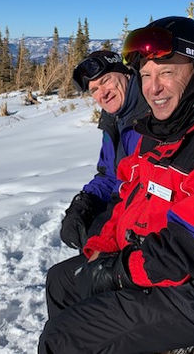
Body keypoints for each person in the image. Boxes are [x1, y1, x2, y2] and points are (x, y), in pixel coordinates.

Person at [39, 16, 194, 354]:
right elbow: (129, 200)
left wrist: (119, 272)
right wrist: (102, 247)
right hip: (162, 269)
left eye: (166, 72)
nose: (153, 87)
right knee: (61, 282)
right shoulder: (159, 133)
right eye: (146, 75)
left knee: (61, 337)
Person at [60, 50, 149, 249]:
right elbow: (109, 175)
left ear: (126, 73)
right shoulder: (113, 119)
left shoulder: (153, 112)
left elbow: (150, 188)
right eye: (94, 90)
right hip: (122, 211)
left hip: (145, 226)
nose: (102, 94)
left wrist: (110, 227)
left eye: (106, 81)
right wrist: (85, 202)